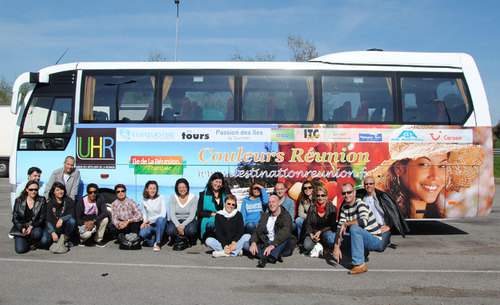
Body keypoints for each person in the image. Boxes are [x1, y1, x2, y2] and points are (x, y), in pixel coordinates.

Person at [370, 126, 484, 218]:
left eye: (442, 165)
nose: (435, 177)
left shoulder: (436, 214)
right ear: (399, 169)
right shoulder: (383, 211)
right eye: (424, 165)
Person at [333, 183, 383, 274]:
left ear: (354, 192)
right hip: (360, 237)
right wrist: (336, 248)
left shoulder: (361, 204)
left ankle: (360, 264)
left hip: (373, 239)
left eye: (349, 192)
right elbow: (339, 228)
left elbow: (363, 222)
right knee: (331, 237)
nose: (346, 195)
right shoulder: (344, 208)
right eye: (344, 193)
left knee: (354, 228)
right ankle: (360, 253)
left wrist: (347, 224)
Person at [355, 176, 409, 249]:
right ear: (364, 185)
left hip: (381, 227)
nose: (368, 186)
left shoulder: (382, 196)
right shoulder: (361, 198)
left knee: (380, 247)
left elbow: (393, 213)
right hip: (367, 227)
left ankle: (385, 240)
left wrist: (388, 227)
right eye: (366, 184)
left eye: (371, 184)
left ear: (374, 184)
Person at [243, 195, 293, 268]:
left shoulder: (285, 215)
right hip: (266, 243)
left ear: (279, 203)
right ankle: (274, 256)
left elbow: (285, 231)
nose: (271, 204)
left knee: (285, 237)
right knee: (246, 245)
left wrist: (273, 245)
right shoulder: (266, 216)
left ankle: (265, 257)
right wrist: (253, 242)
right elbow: (257, 231)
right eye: (269, 202)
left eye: (273, 202)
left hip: (279, 244)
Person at [10, 181, 48, 253]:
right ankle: (25, 240)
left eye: (36, 189)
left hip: (34, 227)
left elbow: (42, 218)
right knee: (20, 250)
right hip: (22, 227)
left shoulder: (41, 200)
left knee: (37, 233)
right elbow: (15, 218)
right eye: (31, 189)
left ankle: (33, 242)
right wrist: (22, 227)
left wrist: (32, 226)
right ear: (27, 189)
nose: (33, 191)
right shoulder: (19, 200)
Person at [303, 185, 337, 256]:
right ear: (315, 197)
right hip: (314, 232)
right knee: (307, 245)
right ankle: (319, 245)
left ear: (326, 197)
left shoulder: (332, 208)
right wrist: (311, 234)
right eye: (318, 195)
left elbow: (332, 225)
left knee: (329, 234)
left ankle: (324, 246)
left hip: (325, 232)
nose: (320, 198)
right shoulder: (312, 208)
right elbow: (308, 223)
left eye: (322, 195)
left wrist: (320, 232)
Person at [198, 172, 231, 241]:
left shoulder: (226, 193)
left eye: (220, 182)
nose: (218, 184)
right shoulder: (203, 194)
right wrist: (214, 214)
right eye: (216, 181)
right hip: (210, 219)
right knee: (211, 224)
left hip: (224, 217)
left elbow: (234, 205)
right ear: (211, 182)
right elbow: (200, 212)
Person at [43, 182, 76, 248]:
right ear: (53, 192)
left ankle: (65, 239)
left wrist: (62, 219)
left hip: (63, 227)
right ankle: (56, 241)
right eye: (57, 190)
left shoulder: (68, 200)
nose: (60, 192)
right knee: (44, 241)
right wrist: (52, 232)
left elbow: (72, 214)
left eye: (62, 189)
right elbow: (47, 220)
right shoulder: (50, 203)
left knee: (72, 221)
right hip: (52, 227)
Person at [167, 178, 198, 248]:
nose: (182, 189)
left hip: (189, 220)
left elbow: (192, 215)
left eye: (184, 187)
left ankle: (188, 238)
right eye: (180, 187)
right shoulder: (173, 197)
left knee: (191, 230)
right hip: (177, 219)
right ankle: (177, 238)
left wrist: (182, 225)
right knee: (170, 231)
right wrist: (178, 226)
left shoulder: (193, 197)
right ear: (177, 188)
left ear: (187, 187)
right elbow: (172, 215)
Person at [139, 180, 167, 251]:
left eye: (154, 188)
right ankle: (155, 238)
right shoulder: (144, 199)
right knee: (142, 233)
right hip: (150, 224)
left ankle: (158, 243)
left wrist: (148, 220)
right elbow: (144, 213)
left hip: (160, 223)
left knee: (160, 219)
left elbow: (163, 214)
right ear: (146, 189)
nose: (152, 190)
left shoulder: (161, 198)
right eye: (150, 188)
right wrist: (145, 221)